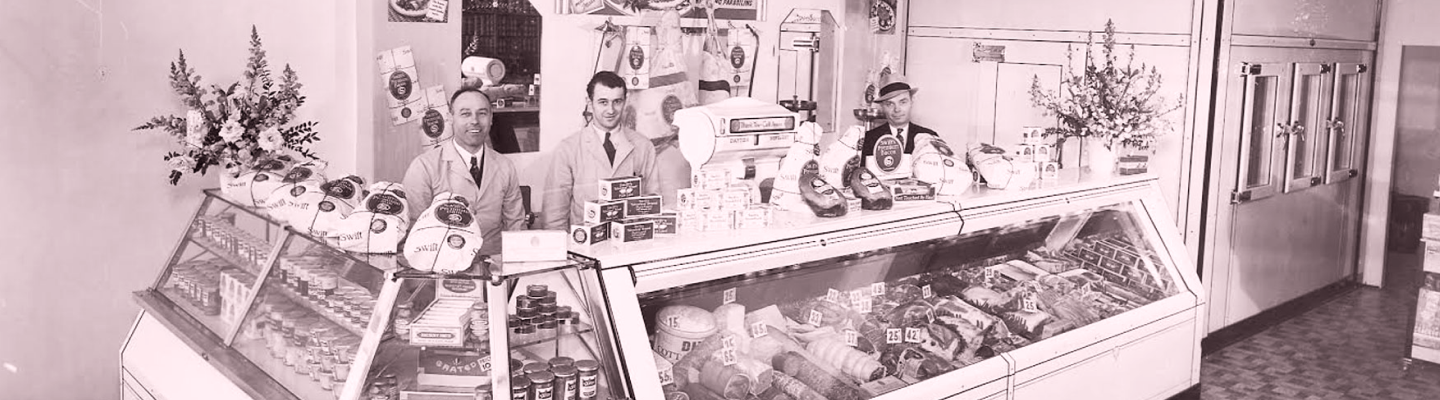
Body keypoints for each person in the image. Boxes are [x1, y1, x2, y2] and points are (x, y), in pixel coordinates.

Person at [402, 87, 526, 256]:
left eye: (482, 113)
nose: (474, 121)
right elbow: (413, 230)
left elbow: (516, 225)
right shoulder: (424, 167)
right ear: (451, 118)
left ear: (491, 119)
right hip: (443, 268)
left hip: (494, 266)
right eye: (465, 114)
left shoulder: (505, 166)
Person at [542, 71, 660, 230]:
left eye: (617, 102)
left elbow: (653, 204)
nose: (611, 110)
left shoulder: (643, 146)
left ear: (625, 101)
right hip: (583, 247)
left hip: (630, 246)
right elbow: (554, 217)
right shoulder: (568, 149)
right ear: (589, 103)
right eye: (603, 102)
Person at [862, 75, 939, 157]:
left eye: (903, 102)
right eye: (890, 104)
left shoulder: (929, 137)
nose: (897, 109)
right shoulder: (868, 139)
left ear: (912, 101)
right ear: (882, 106)